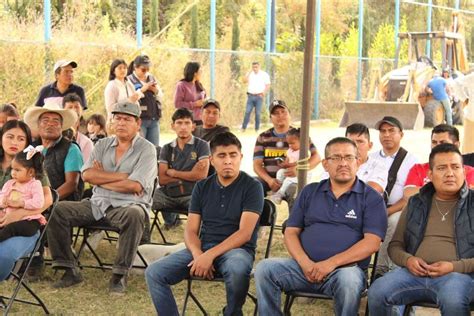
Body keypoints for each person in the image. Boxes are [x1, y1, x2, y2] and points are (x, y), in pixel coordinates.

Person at [255, 137, 387, 316]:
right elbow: (291, 232)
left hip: (345, 271)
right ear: (325, 164)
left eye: (349, 157)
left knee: (348, 280)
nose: (343, 163)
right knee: (265, 269)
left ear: (358, 162)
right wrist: (305, 263)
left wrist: (330, 264)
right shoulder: (310, 192)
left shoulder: (371, 198)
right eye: (336, 158)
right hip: (303, 269)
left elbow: (372, 243)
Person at [145, 132, 264, 315]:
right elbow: (191, 230)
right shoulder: (202, 187)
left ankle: (232, 313)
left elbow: (244, 233)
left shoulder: (252, 186)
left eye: (233, 155)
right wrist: (198, 254)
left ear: (241, 157)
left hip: (237, 250)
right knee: (154, 272)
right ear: (211, 160)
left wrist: (209, 256)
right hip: (203, 246)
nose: (228, 161)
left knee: (237, 268)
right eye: (221, 156)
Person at [47, 101, 157, 293]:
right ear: (112, 121)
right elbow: (87, 175)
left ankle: (120, 275)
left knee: (135, 214)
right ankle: (68, 269)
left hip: (127, 206)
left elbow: (135, 185)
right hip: (97, 203)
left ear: (138, 123)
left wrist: (101, 179)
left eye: (127, 119)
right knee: (58, 209)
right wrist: (122, 177)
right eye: (118, 118)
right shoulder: (103, 144)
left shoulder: (147, 149)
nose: (121, 123)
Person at [368, 143, 474, 316]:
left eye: (455, 167)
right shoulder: (415, 203)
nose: (450, 173)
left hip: (459, 276)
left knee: (453, 299)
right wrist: (408, 260)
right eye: (441, 168)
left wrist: (453, 267)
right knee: (378, 291)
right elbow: (395, 246)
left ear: (464, 171)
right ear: (430, 174)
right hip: (413, 274)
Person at [0, 120, 53, 282]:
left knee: (4, 255)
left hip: (24, 224)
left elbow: (48, 199)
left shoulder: (33, 170)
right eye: (10, 137)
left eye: (21, 139)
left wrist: (21, 212)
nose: (15, 142)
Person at [369, 116, 418, 277]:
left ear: (401, 134)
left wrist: (385, 211)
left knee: (394, 221)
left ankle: (381, 270)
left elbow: (408, 198)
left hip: (394, 209)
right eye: (383, 131)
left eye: (391, 131)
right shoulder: (371, 158)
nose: (386, 135)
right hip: (368, 208)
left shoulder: (411, 161)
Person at [253, 100, 320, 208]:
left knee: (294, 190)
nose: (280, 115)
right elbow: (257, 165)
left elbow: (316, 157)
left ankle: (293, 223)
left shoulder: (300, 134)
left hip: (293, 178)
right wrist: (269, 180)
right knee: (252, 184)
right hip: (269, 179)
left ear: (289, 114)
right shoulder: (263, 137)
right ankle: (257, 220)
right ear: (271, 118)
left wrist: (299, 169)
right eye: (275, 113)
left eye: (283, 111)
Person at [152, 108, 210, 229]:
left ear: (193, 126)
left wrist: (173, 172)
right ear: (173, 126)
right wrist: (190, 174)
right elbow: (162, 179)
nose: (183, 127)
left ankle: (201, 236)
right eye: (179, 123)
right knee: (145, 201)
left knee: (201, 204)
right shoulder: (167, 148)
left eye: (187, 123)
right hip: (169, 194)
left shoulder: (202, 145)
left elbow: (201, 176)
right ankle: (145, 239)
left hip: (192, 193)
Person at [24, 103, 84, 201]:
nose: (50, 124)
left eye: (55, 121)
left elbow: (71, 184)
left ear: (62, 127)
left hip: (62, 203)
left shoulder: (71, 149)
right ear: (38, 125)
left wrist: (47, 201)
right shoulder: (31, 148)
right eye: (45, 120)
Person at [404, 124, 474, 201]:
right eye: (434, 142)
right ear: (430, 174)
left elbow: (468, 197)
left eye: (442, 142)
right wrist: (448, 191)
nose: (437, 146)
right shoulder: (418, 168)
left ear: (456, 145)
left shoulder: (469, 171)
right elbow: (408, 194)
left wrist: (427, 191)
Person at [0, 147, 45, 242]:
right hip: (9, 217)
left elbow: (39, 202)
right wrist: (2, 201)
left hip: (29, 221)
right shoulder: (9, 183)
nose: (13, 173)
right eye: (12, 169)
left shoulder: (35, 184)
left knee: (10, 228)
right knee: (5, 224)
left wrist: (21, 203)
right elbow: (2, 195)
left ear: (31, 172)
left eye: (17, 170)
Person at [127, 55, 163, 146]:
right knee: (140, 148)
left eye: (148, 69)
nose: (146, 72)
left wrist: (155, 90)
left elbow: (161, 95)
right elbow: (130, 99)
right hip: (140, 120)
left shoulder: (151, 78)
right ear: (135, 67)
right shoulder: (129, 80)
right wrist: (143, 89)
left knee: (154, 149)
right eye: (143, 70)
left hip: (154, 119)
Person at [270, 128, 311, 204]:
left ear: (302, 142)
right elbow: (287, 159)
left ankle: (280, 194)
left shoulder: (304, 152)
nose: (290, 145)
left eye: (292, 143)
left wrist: (289, 164)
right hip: (290, 172)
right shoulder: (290, 150)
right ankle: (278, 187)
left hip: (300, 174)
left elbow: (300, 163)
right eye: (288, 143)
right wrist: (284, 164)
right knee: (280, 172)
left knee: (288, 180)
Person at [104, 59, 143, 125]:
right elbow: (110, 108)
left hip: (131, 121)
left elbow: (135, 101)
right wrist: (128, 101)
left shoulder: (129, 84)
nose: (123, 70)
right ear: (113, 71)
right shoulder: (112, 85)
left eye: (125, 68)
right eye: (120, 68)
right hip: (117, 123)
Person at [62, 93, 94, 163]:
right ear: (63, 111)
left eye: (76, 107)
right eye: (70, 107)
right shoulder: (56, 135)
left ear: (82, 110)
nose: (74, 110)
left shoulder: (86, 142)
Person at [241, 61, 270, 132]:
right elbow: (244, 81)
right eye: (253, 67)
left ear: (259, 67)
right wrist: (248, 73)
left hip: (259, 96)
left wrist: (264, 92)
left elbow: (268, 84)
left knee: (257, 113)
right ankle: (243, 128)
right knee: (247, 112)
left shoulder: (264, 74)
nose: (255, 68)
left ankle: (257, 129)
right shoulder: (250, 74)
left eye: (256, 67)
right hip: (250, 96)